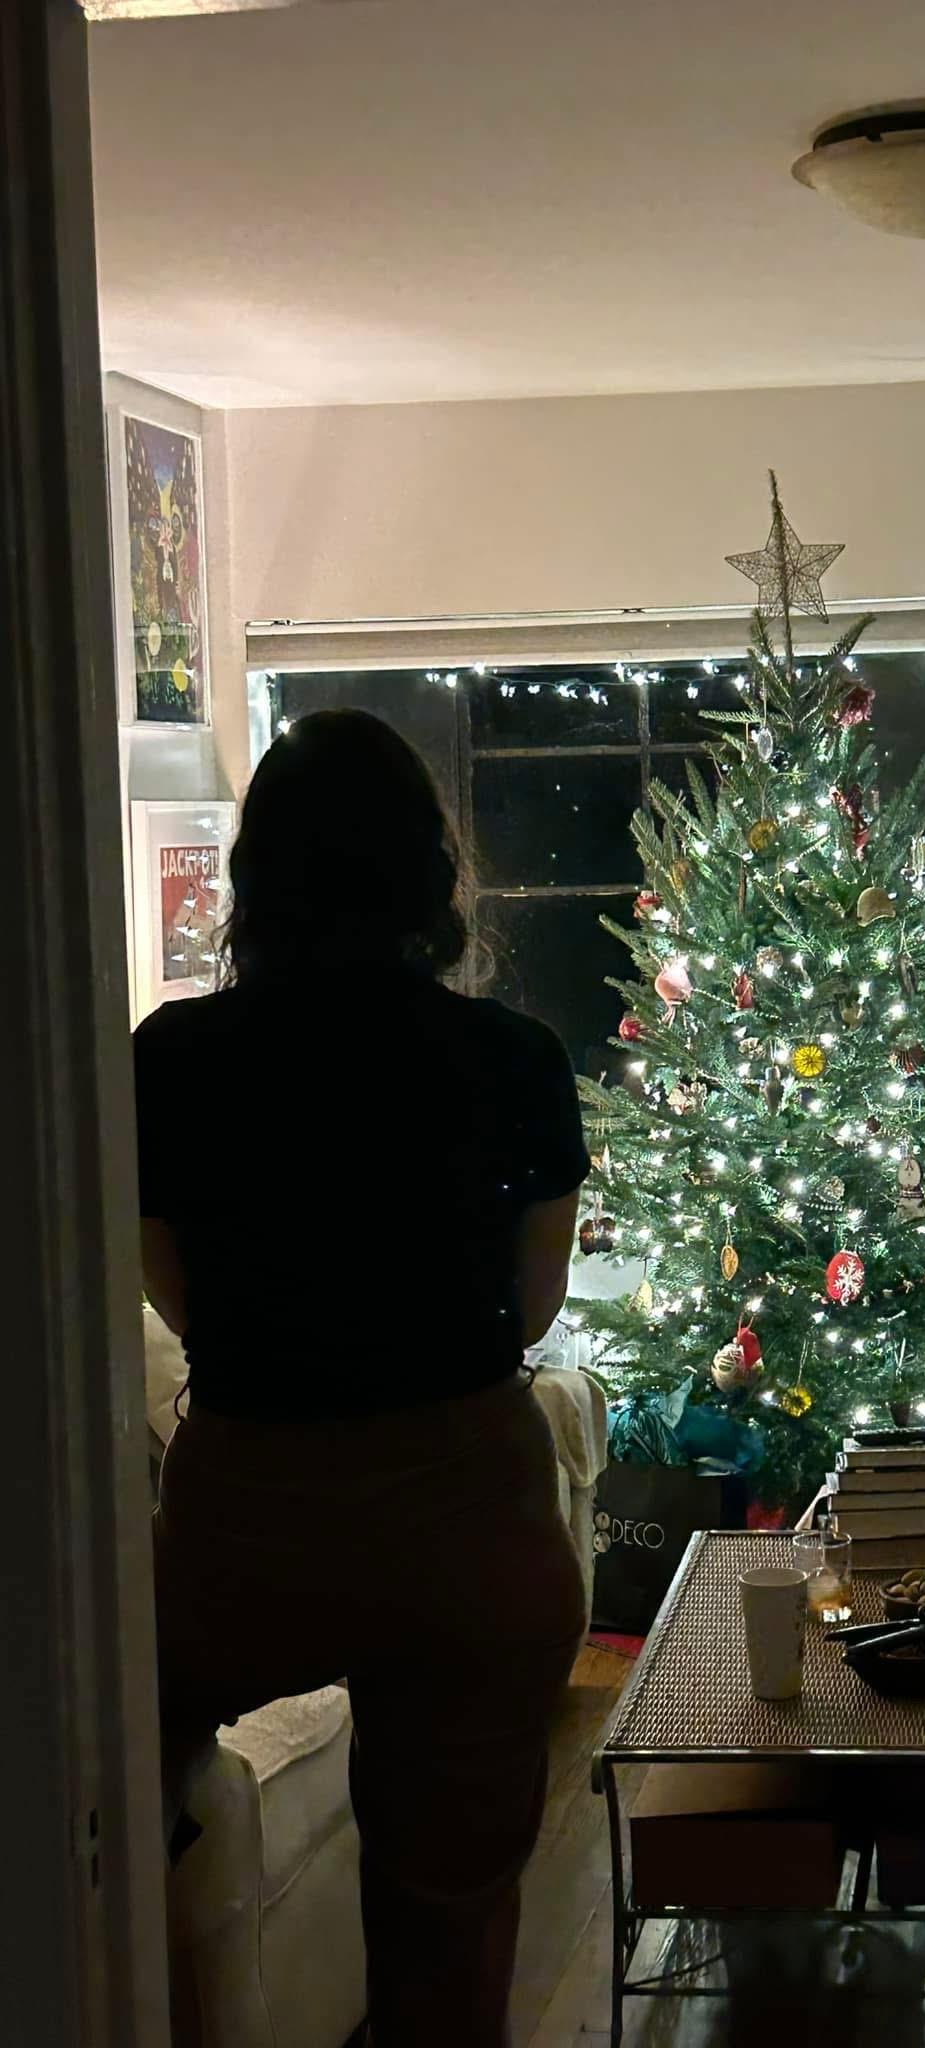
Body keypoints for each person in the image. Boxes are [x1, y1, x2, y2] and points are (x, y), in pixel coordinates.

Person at [135, 709, 589, 2047]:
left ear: (256, 875)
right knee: (449, 1926)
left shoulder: (166, 1060)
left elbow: (178, 1294)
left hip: (247, 1510)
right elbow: (532, 1305)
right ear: (427, 876)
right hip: (467, 1515)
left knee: (103, 1764)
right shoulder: (515, 1059)